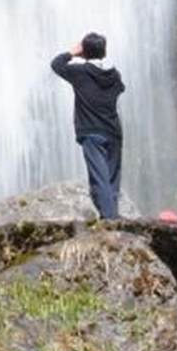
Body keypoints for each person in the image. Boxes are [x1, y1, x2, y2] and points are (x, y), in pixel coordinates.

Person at [50, 31, 125, 219]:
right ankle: (112, 214)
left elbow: (56, 64)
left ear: (84, 52)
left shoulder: (80, 73)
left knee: (99, 177)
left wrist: (72, 53)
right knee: (112, 177)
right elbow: (120, 88)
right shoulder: (114, 75)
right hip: (113, 131)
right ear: (104, 51)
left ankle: (109, 219)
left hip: (92, 132)